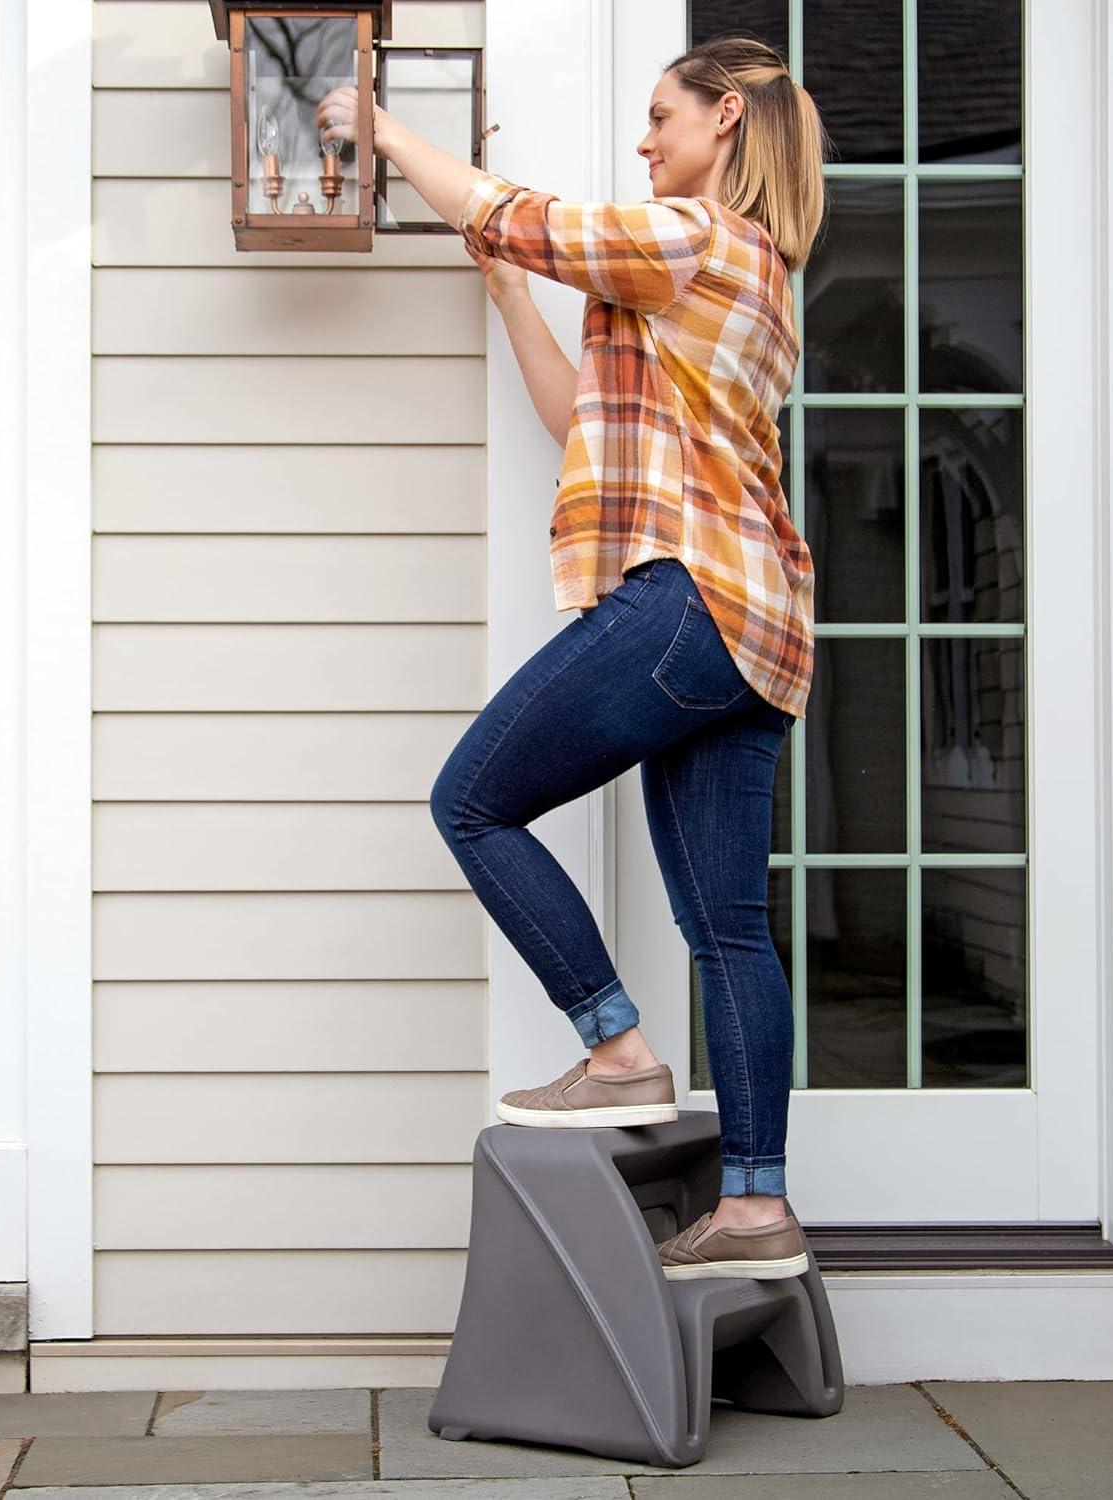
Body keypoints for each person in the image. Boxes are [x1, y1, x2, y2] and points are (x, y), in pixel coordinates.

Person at [317, 35, 826, 1281]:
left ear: (727, 121)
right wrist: (505, 293)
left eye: (663, 117)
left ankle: (613, 1050)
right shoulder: (744, 277)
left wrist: (377, 127)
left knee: (472, 802)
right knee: (730, 931)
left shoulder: (697, 236)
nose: (647, 141)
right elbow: (577, 425)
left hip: (682, 604)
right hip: (752, 634)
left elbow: (520, 211)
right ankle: (756, 1209)